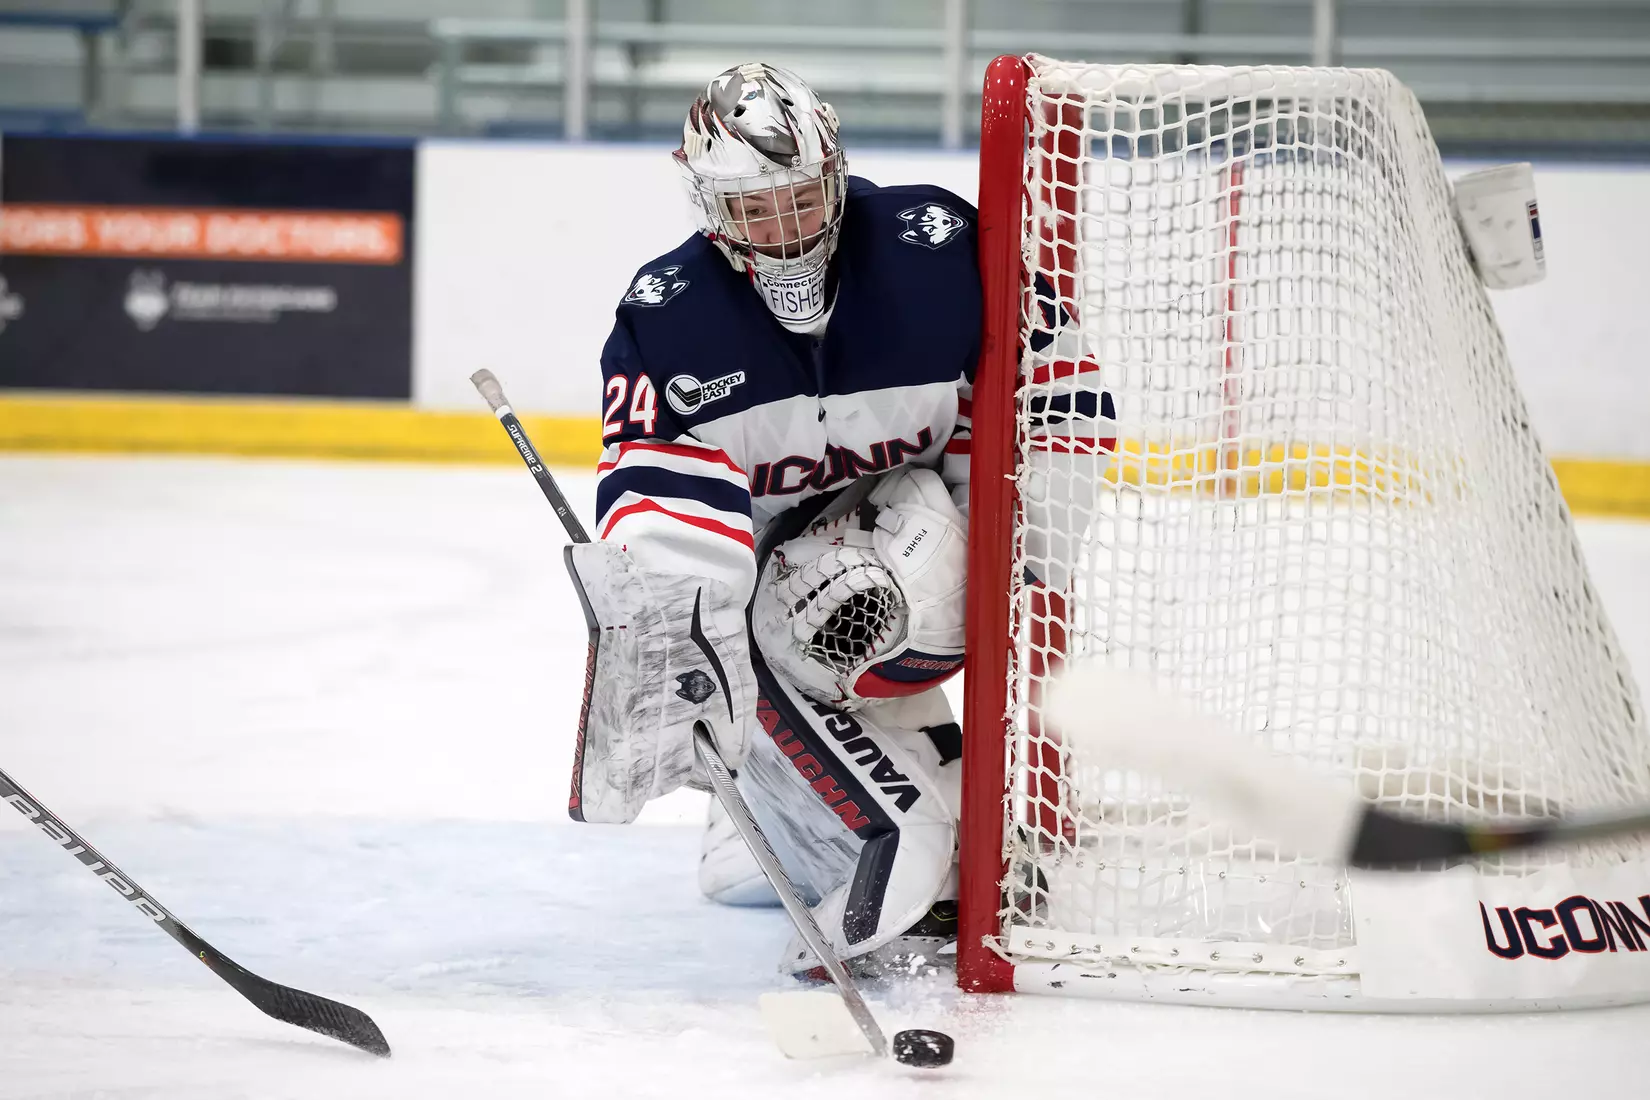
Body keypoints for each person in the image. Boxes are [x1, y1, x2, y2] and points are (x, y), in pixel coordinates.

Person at [565, 61, 981, 977]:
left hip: (914, 561)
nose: (785, 231)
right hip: (774, 614)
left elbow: (1033, 402)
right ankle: (758, 809)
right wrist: (686, 662)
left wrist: (1011, 564)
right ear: (709, 208)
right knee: (773, 861)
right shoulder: (668, 321)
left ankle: (902, 817)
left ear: (834, 176)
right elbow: (658, 511)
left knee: (861, 588)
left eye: (799, 199)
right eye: (754, 210)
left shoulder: (935, 250)